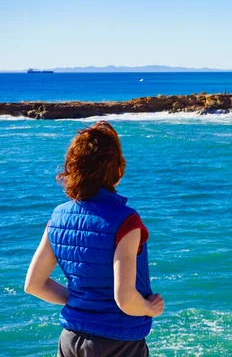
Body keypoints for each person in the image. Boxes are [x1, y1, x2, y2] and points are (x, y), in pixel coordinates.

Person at [25, 121, 164, 356]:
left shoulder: (57, 217)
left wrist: (84, 301)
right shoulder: (125, 220)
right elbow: (125, 299)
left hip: (70, 339)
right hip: (117, 342)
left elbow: (34, 285)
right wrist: (150, 308)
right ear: (117, 168)